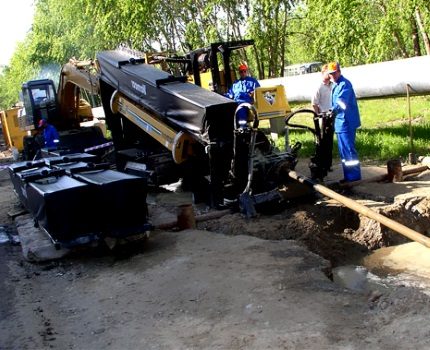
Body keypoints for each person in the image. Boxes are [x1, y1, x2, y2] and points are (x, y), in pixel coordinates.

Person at [327, 61, 361, 182]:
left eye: (334, 73)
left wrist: (333, 110)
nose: (332, 76)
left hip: (347, 122)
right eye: (330, 74)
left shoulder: (344, 84)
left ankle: (354, 178)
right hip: (340, 123)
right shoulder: (335, 85)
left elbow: (341, 102)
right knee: (344, 152)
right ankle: (348, 176)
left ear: (339, 72)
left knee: (349, 151)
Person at [225, 64, 260, 128]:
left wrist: (252, 93)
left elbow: (258, 91)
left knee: (241, 109)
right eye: (241, 71)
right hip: (236, 102)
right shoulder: (235, 84)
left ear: (247, 71)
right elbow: (230, 94)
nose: (243, 73)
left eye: (244, 71)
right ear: (239, 73)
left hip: (246, 102)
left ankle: (242, 127)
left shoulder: (252, 81)